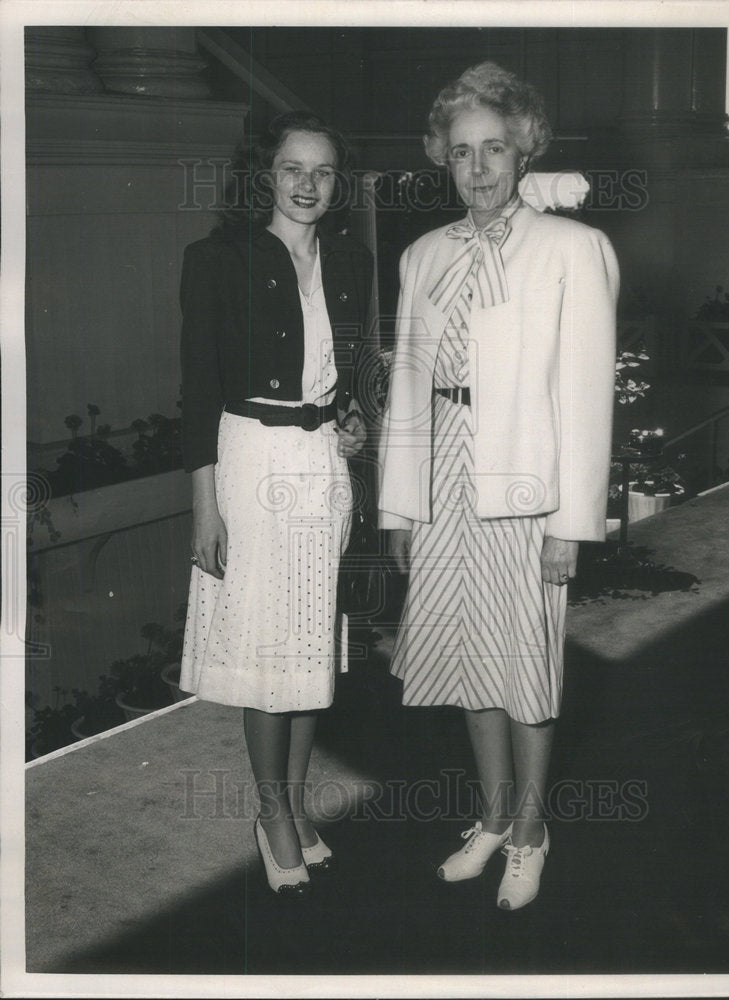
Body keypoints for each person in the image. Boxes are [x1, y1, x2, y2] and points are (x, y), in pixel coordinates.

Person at [377, 63, 619, 911]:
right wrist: (397, 505)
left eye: (494, 149)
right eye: (461, 152)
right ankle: (487, 817)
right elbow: (406, 388)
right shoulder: (421, 254)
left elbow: (585, 398)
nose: (476, 168)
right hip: (440, 475)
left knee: (523, 667)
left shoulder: (573, 248)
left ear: (524, 152)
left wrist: (570, 523)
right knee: (463, 661)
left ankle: (529, 829)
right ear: (442, 158)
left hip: (527, 484)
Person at [179, 111, 372, 897]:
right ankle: (271, 815)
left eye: (321, 172)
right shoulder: (217, 258)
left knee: (309, 647)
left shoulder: (352, 259)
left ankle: (291, 804)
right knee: (269, 651)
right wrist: (204, 506)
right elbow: (196, 393)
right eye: (292, 168)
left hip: (322, 463)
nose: (305, 185)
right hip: (250, 462)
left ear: (336, 183)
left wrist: (356, 417)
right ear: (265, 173)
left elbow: (351, 369)